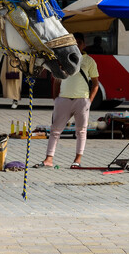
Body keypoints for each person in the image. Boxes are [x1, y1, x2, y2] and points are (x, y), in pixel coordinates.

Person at [37, 32, 99, 169]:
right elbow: (56, 81)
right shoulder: (63, 58)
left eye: (79, 42)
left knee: (81, 131)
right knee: (55, 130)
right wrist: (56, 98)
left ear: (84, 45)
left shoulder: (89, 61)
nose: (77, 45)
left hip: (82, 101)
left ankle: (77, 160)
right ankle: (48, 159)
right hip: (64, 99)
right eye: (74, 42)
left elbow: (95, 84)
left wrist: (89, 101)